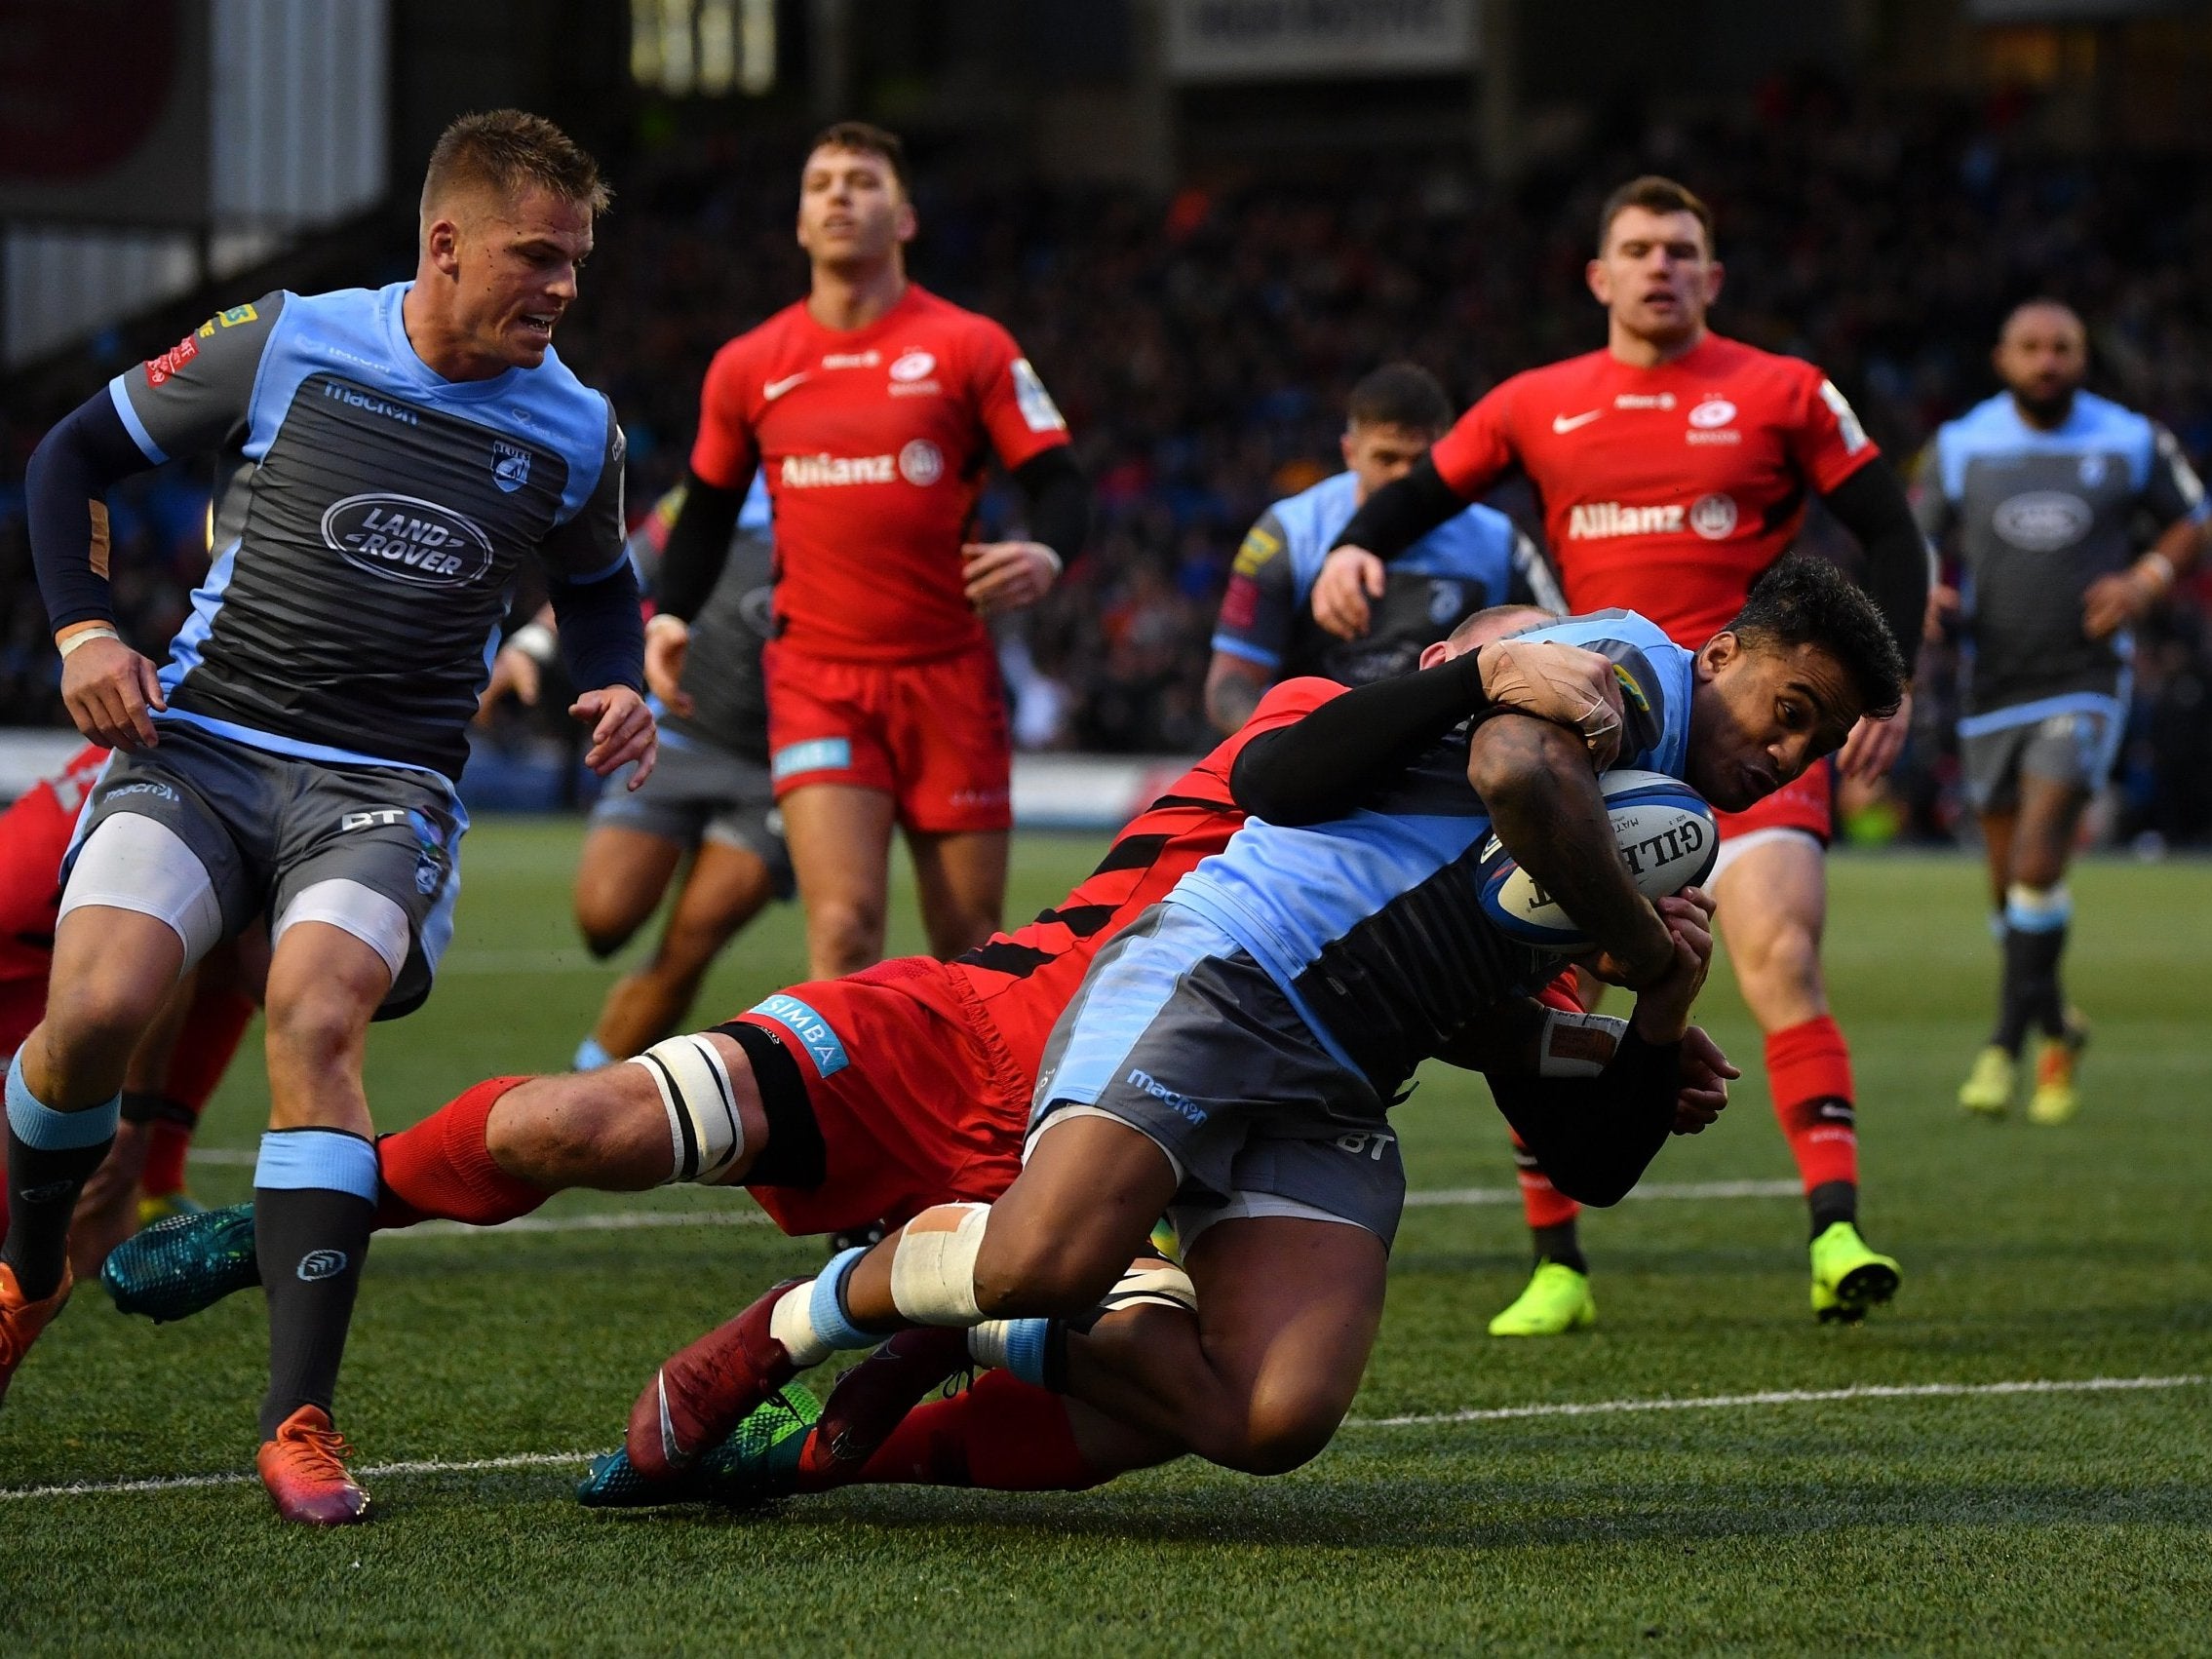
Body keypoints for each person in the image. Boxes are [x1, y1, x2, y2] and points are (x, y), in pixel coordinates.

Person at [619, 559, 1908, 1491]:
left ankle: (959, 1333)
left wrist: (1656, 1013)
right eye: (1788, 708)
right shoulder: (1626, 676)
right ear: (1723, 652)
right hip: (1230, 974)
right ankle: (795, 1326)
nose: (1790, 752)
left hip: (1339, 1082)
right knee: (1042, 1260)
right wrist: (1632, 943)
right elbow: (1514, 770)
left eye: (1823, 740)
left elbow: (1566, 1131)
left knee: (1272, 1417)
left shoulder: (1669, 822)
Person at [103, 624, 1627, 1333]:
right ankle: (322, 1201)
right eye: (1507, 658)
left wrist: (1636, 1024)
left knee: (1159, 1379)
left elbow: (1544, 1092)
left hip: (1145, 1163)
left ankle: (786, 1402)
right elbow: (1317, 765)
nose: (1534, 690)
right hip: (969, 1028)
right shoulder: (1330, 728)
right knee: (581, 1127)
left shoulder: (1503, 897)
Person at [2, 110, 653, 1526]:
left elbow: (602, 586)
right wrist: (81, 633)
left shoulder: (577, 425)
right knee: (98, 1006)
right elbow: (69, 460)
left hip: (384, 786)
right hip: (205, 748)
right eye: (535, 257)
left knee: (316, 1017)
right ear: (445, 244)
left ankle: (299, 1417)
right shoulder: (285, 338)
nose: (560, 288)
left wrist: (615, 684)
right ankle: (26, 1261)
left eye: (576, 265)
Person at [1311, 174, 1931, 1331]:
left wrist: (1889, 682)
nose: (1660, 266)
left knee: (1781, 953)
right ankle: (1557, 1260)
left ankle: (1834, 1226)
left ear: (1712, 275)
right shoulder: (1535, 401)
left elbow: (1892, 528)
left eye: (1681, 249)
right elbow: (1423, 491)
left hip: (1751, 736)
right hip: (1594, 743)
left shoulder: (1784, 390)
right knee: (1543, 981)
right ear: (1598, 276)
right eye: (1638, 248)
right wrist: (1349, 549)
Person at [652, 121, 1091, 980]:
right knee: (845, 930)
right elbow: (703, 512)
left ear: (905, 218)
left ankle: (972, 1117)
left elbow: (1062, 483)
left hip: (948, 680)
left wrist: (1045, 553)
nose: (840, 196)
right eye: (821, 184)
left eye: (862, 180)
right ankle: (845, 1118)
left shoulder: (973, 347)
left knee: (970, 940)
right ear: (800, 224)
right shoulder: (749, 366)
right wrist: (669, 615)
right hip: (819, 682)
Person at [1919, 300, 2206, 1123]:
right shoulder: (1962, 445)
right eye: (2031, 348)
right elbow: (1915, 534)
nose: (2046, 361)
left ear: (2083, 358)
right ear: (2000, 357)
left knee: (2040, 863)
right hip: (1990, 682)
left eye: (2062, 348)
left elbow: (2192, 519)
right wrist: (1926, 591)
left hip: (2084, 677)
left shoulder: (2126, 438)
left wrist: (2146, 579)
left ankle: (2002, 1046)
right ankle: (2056, 1024)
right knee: (2009, 891)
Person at [566, 477, 794, 1069]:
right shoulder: (720, 487)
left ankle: (590, 1091)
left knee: (692, 939)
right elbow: (619, 570)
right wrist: (538, 642)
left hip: (789, 759)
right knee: (604, 919)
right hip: (681, 737)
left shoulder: (865, 484)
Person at [0, 744, 255, 1265]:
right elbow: (155, 951)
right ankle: (133, 1187)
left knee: (226, 946)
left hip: (52, 945)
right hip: (26, 960)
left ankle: (153, 1188)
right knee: (41, 1223)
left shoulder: (208, 721)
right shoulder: (239, 765)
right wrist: (131, 1126)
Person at [1204, 362, 1562, 733]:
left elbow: (1559, 652)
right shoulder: (1287, 534)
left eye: (1420, 460)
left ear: (1450, 455)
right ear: (1350, 453)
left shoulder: (1499, 541)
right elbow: (1231, 683)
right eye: (1386, 458)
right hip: (1315, 748)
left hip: (1446, 755)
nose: (1404, 476)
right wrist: (1283, 748)